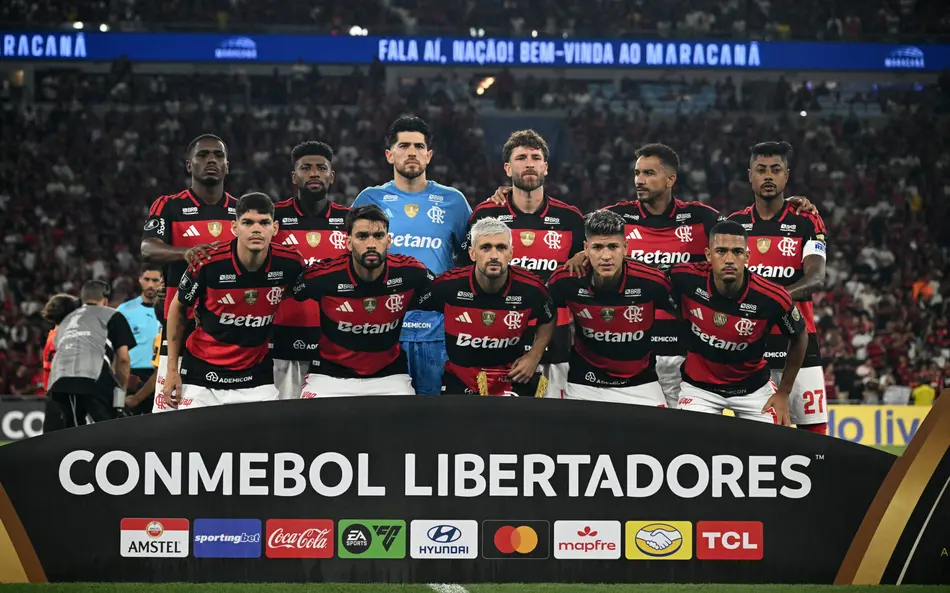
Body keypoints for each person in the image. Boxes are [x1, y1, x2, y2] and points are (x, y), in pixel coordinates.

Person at [352, 116, 471, 395]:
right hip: (382, 325)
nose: (412, 152)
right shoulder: (370, 199)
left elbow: (470, 258)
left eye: (419, 146)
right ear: (389, 155)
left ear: (429, 155)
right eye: (404, 146)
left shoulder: (454, 201)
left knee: (435, 411)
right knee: (387, 410)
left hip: (437, 328)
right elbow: (350, 256)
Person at [463, 130, 585, 399]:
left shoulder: (571, 219)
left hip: (556, 347)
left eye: (535, 157)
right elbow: (466, 274)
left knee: (553, 421)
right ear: (507, 168)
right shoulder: (487, 214)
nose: (529, 163)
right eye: (521, 158)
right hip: (496, 344)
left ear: (546, 167)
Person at [164, 193, 304, 409]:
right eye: (247, 222)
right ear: (234, 227)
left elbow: (300, 291)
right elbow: (177, 309)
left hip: (255, 376)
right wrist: (172, 370)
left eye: (264, 223)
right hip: (202, 374)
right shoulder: (208, 262)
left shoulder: (290, 263)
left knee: (267, 432)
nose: (256, 229)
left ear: (275, 228)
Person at [728, 141, 829, 434]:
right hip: (749, 343)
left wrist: (771, 300)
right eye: (761, 170)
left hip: (799, 339)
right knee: (755, 436)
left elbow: (815, 279)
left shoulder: (807, 220)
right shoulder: (734, 225)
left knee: (815, 432)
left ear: (787, 175)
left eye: (775, 169)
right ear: (750, 175)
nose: (768, 176)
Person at [669, 221, 808, 424]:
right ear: (708, 255)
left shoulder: (772, 297)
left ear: (747, 256)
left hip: (753, 390)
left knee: (776, 440)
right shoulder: (684, 277)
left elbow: (800, 335)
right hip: (699, 388)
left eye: (737, 252)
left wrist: (784, 392)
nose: (729, 260)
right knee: (692, 441)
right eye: (721, 251)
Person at [291, 205, 434, 398]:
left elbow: (441, 294)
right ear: (349, 243)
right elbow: (292, 293)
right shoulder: (322, 276)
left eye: (378, 236)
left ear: (388, 241)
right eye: (362, 236)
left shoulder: (412, 273)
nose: (371, 244)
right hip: (328, 375)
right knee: (307, 417)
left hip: (390, 375)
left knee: (406, 418)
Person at [141, 134, 238, 413]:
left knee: (228, 415)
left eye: (218, 155)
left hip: (229, 327)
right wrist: (186, 253)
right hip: (181, 327)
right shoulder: (169, 205)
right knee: (171, 415)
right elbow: (148, 248)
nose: (211, 160)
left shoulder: (241, 210)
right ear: (189, 165)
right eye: (203, 155)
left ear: (227, 165)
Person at [413, 217, 556, 396]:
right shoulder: (447, 286)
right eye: (485, 247)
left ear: (511, 253)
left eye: (501, 247)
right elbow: (408, 303)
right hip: (460, 382)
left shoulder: (532, 289)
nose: (494, 255)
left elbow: (549, 318)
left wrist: (534, 356)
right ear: (472, 253)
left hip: (511, 381)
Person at [547, 210, 676, 405]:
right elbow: (542, 315)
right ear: (586, 248)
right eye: (597, 247)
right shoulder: (566, 280)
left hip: (641, 383)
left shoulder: (653, 282)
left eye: (613, 247)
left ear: (625, 247)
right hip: (584, 382)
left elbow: (685, 313)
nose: (606, 256)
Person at [272, 141, 350, 400]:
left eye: (321, 168)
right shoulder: (273, 217)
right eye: (306, 168)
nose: (314, 173)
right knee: (281, 417)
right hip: (281, 337)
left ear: (332, 176)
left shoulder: (349, 220)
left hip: (335, 341)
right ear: (294, 177)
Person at [46, 280, 136, 429]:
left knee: (74, 431)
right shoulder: (112, 315)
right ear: (105, 301)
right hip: (94, 376)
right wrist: (120, 396)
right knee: (110, 428)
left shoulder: (67, 320)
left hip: (60, 380)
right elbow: (124, 359)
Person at [116, 263, 163, 414]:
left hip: (161, 375)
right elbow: (114, 350)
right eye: (147, 279)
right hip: (132, 377)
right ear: (140, 280)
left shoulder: (170, 310)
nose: (151, 285)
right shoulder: (124, 310)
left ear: (162, 281)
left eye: (155, 280)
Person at [40, 293, 80, 433]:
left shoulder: (53, 336)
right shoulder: (67, 338)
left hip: (53, 394)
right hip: (65, 395)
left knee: (51, 437)